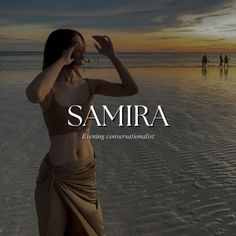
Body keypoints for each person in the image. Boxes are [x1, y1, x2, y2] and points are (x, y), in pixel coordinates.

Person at [25, 29, 138, 236]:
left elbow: (131, 89)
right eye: (77, 44)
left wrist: (112, 56)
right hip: (59, 175)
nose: (83, 49)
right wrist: (61, 61)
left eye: (83, 45)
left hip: (85, 173)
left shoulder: (90, 85)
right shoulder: (49, 89)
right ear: (63, 49)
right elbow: (34, 94)